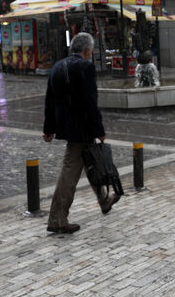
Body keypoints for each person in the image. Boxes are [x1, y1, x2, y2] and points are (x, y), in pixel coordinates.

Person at [43, 32, 118, 234]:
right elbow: (89, 102)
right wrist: (99, 129)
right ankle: (57, 219)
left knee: (90, 162)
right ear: (86, 51)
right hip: (82, 127)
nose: (91, 55)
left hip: (66, 126)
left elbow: (49, 99)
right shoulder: (85, 67)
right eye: (91, 52)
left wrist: (48, 128)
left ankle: (104, 201)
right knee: (70, 170)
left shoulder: (57, 67)